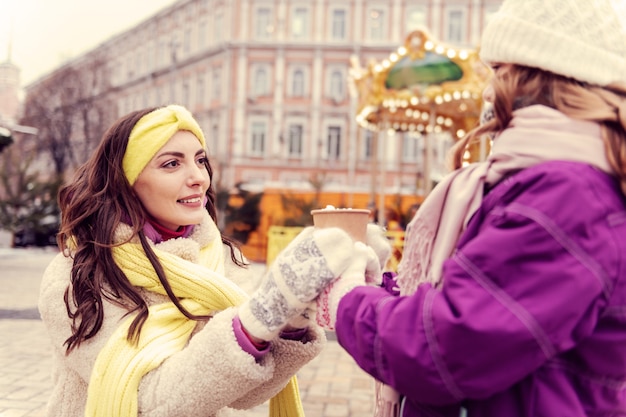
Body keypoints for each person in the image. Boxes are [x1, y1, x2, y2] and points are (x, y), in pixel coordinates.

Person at [319, 0, 626, 416]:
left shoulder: (566, 196)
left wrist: (347, 300)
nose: (487, 91)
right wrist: (380, 288)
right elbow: (480, 295)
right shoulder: (550, 182)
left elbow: (441, 347)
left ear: (535, 75)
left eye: (498, 71)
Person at [37, 104, 383, 417]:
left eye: (200, 160)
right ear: (127, 182)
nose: (198, 177)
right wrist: (257, 319)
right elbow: (149, 397)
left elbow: (247, 393)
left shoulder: (219, 257)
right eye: (172, 163)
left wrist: (292, 317)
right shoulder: (76, 275)